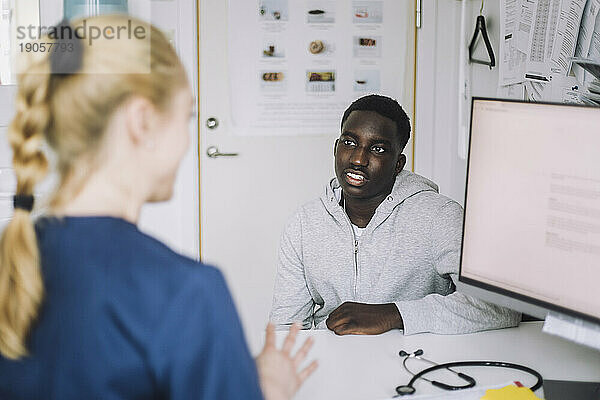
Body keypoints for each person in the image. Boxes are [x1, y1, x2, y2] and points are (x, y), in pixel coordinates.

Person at [0, 15, 316, 400]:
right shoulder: (187, 293)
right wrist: (270, 389)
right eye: (187, 116)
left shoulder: (13, 258)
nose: (187, 139)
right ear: (143, 121)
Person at [270, 94, 521, 336]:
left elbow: (501, 307)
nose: (358, 159)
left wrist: (394, 315)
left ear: (398, 164)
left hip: (414, 363)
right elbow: (286, 328)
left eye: (377, 149)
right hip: (334, 363)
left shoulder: (440, 216)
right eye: (349, 143)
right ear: (336, 148)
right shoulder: (304, 224)